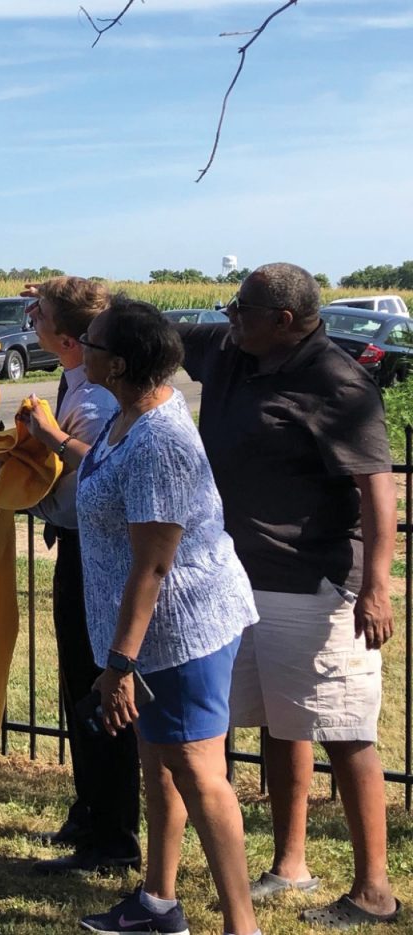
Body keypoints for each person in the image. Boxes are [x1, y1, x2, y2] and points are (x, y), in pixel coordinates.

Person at [179, 262, 401, 929]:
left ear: (284, 320)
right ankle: (292, 863)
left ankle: (374, 891)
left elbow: (376, 487)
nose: (228, 315)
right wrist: (92, 304)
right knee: (282, 721)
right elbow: (150, 333)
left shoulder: (338, 383)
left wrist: (377, 587)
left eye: (241, 307)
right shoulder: (231, 349)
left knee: (343, 730)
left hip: (316, 583)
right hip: (240, 579)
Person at [66, 297, 260, 935]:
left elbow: (153, 565)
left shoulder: (159, 442)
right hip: (150, 634)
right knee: (160, 764)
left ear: (117, 363)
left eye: (90, 341)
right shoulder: (130, 416)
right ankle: (157, 904)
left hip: (178, 630)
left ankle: (241, 926)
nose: (80, 347)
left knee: (201, 776)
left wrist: (120, 663)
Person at [0, 276, 140, 874]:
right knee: (79, 687)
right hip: (78, 554)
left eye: (40, 311)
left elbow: (92, 489)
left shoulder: (95, 402)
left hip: (96, 558)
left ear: (69, 338)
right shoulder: (77, 381)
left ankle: (113, 837)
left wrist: (23, 469)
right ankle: (90, 811)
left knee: (99, 694)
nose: (30, 316)